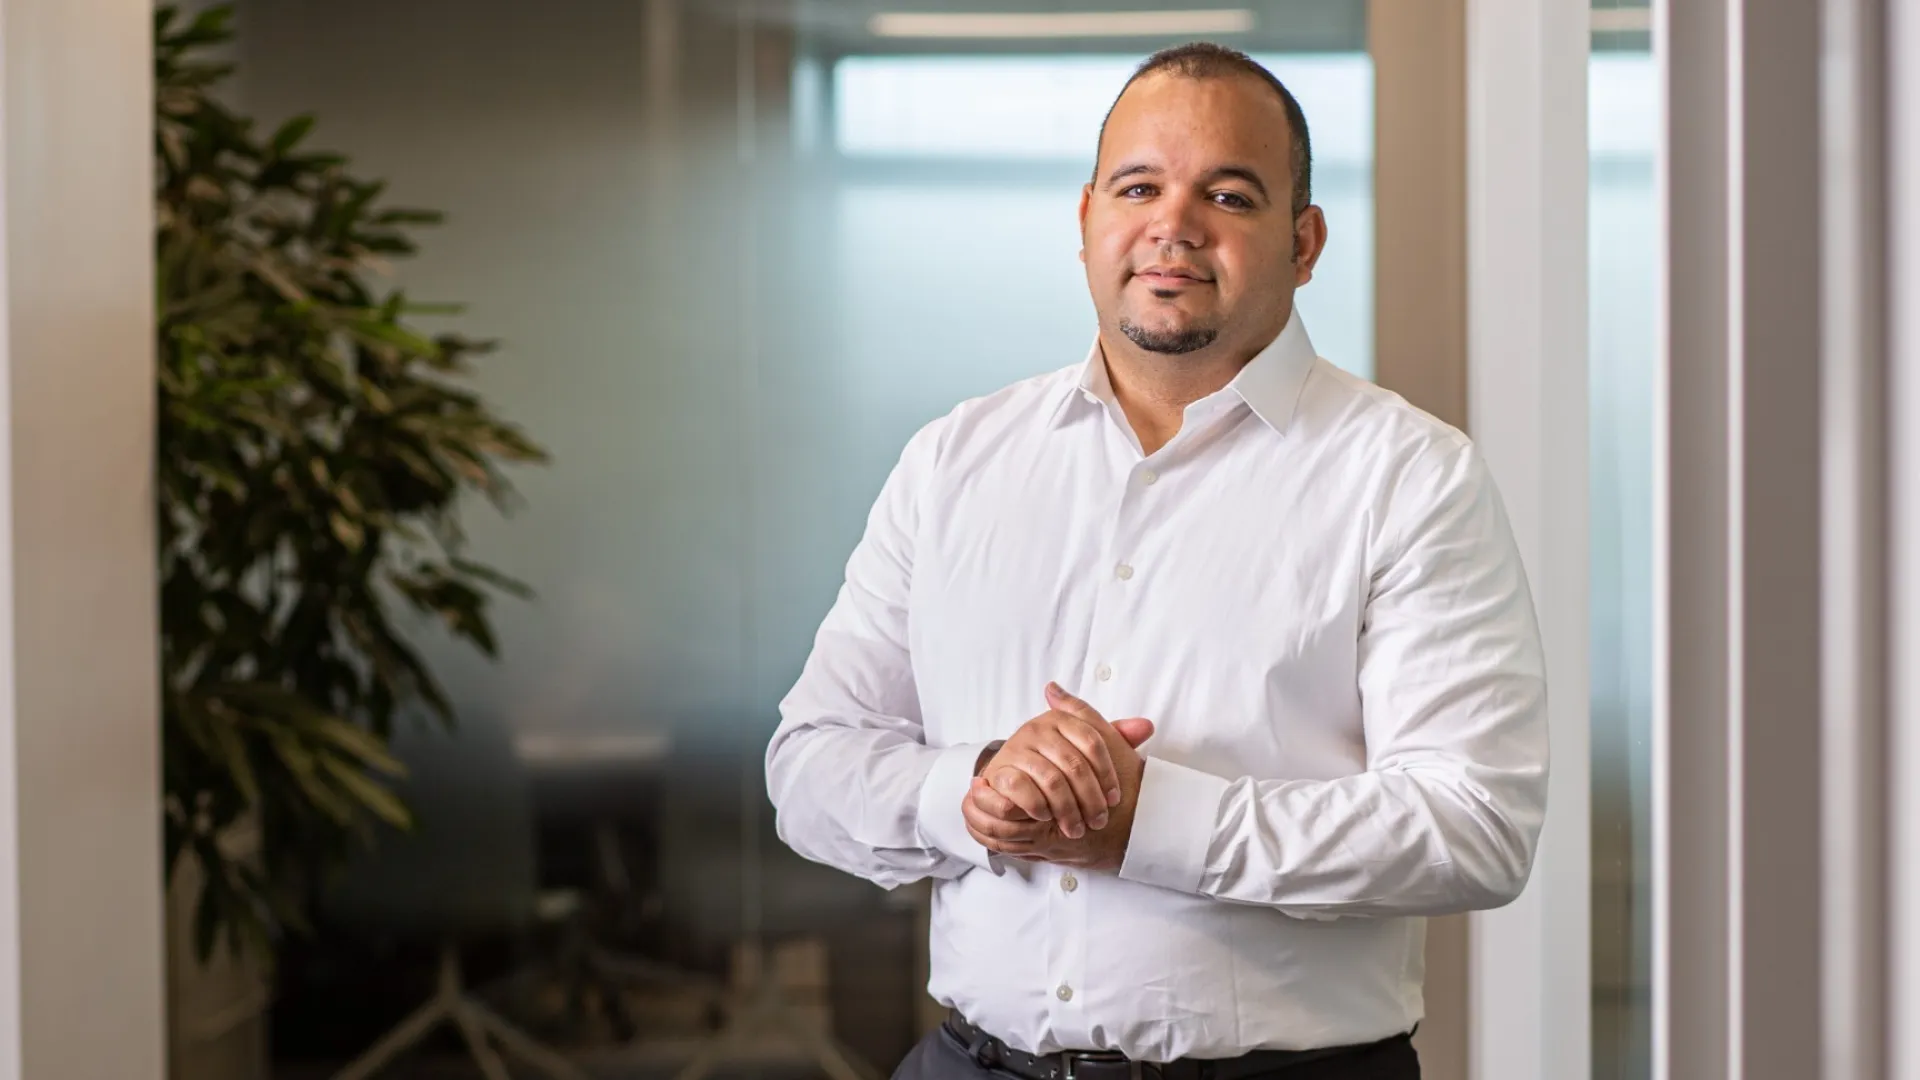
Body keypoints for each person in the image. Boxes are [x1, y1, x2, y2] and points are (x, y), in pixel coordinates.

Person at [766, 42, 1548, 1080]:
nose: (1172, 225)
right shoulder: (953, 461)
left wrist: (1157, 823)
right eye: (1139, 186)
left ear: (1304, 242)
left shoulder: (1409, 477)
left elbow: (1475, 822)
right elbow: (809, 764)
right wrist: (975, 792)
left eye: (1228, 194)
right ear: (1088, 219)